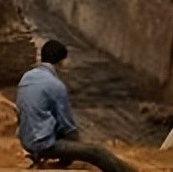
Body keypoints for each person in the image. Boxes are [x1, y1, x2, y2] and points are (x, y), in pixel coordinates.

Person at [17, 40, 132, 172]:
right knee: (97, 152)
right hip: (43, 144)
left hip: (27, 140)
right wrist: (76, 147)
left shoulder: (26, 77)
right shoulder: (56, 85)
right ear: (60, 60)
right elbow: (67, 126)